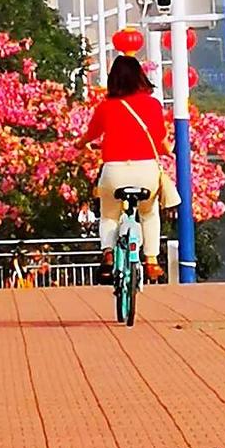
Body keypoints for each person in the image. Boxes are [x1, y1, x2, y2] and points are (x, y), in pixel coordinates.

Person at [75, 55, 173, 282]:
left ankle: (108, 254)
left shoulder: (105, 107)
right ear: (140, 77)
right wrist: (169, 149)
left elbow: (90, 135)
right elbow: (160, 140)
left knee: (109, 215)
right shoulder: (153, 105)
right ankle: (151, 261)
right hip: (146, 170)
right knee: (149, 213)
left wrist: (79, 145)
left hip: (114, 171)